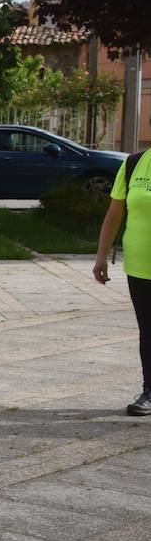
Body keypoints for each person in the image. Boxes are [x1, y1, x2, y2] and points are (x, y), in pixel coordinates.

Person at [94, 147, 151, 415]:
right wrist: (101, 256)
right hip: (140, 265)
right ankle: (149, 391)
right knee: (148, 331)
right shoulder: (134, 163)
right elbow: (115, 213)